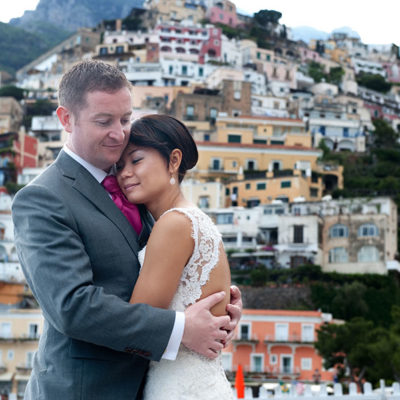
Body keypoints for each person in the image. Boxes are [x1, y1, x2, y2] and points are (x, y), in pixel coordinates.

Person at [11, 60, 242, 400]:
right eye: (104, 121)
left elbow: (172, 266)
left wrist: (215, 306)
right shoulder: (42, 198)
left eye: (125, 119)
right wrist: (183, 328)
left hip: (156, 385)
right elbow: (72, 307)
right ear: (66, 119)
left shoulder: (142, 191)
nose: (119, 133)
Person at [115, 114, 235, 399]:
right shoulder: (191, 220)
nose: (124, 173)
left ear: (174, 160)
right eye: (119, 166)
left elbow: (136, 326)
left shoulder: (174, 224)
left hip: (180, 388)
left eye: (136, 160)